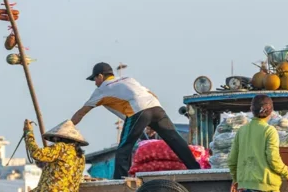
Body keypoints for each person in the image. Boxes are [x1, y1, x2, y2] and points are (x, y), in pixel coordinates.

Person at [71, 62, 200, 179]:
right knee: (175, 139)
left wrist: (68, 127)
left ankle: (119, 181)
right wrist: (151, 121)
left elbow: (82, 112)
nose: (95, 83)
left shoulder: (101, 90)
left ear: (100, 76)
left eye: (94, 79)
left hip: (138, 110)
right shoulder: (128, 79)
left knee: (124, 148)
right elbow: (152, 94)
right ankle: (195, 169)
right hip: (156, 106)